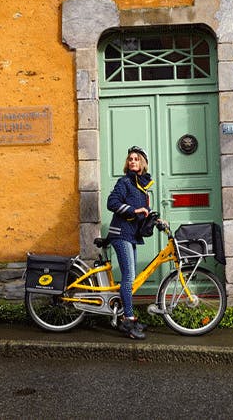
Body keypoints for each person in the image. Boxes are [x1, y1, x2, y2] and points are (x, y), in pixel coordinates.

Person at [106, 145, 154, 340]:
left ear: (142, 163)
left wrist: (156, 220)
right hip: (121, 234)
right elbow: (112, 202)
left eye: (136, 158)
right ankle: (128, 320)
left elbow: (143, 210)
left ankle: (131, 319)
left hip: (132, 235)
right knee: (128, 277)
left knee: (130, 278)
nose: (132, 161)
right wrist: (132, 211)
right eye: (130, 159)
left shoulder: (141, 187)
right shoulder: (124, 182)